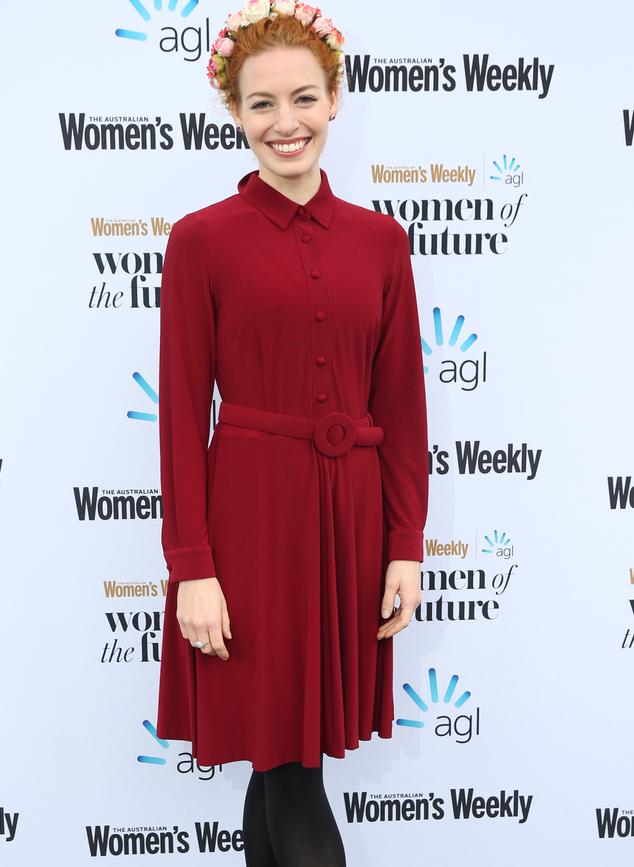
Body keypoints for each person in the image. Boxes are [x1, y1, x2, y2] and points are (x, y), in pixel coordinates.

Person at [155, 1, 429, 864]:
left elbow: (405, 405)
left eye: (303, 99)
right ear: (234, 112)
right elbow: (178, 413)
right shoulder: (200, 242)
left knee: (280, 763)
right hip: (249, 533)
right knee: (292, 770)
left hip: (347, 528)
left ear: (336, 100)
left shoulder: (383, 243)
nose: (286, 123)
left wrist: (404, 543)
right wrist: (192, 568)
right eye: (262, 104)